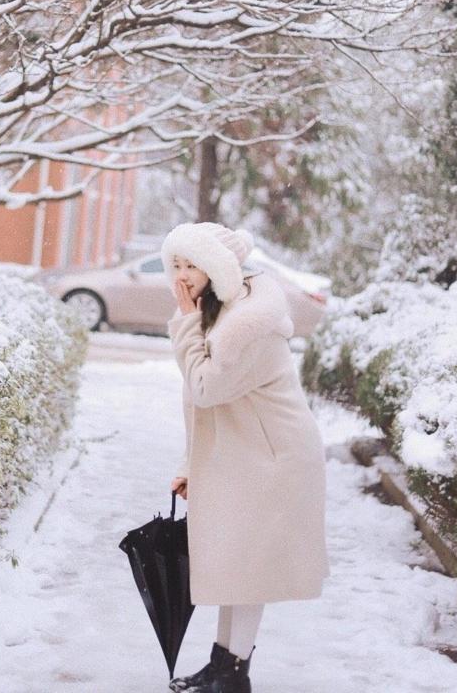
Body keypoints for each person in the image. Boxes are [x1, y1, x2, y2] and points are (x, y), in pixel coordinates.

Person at [161, 222, 330, 693]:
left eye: (191, 264)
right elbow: (199, 405)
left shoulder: (247, 325)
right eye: (175, 264)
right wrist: (189, 465)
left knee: (248, 568)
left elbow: (205, 387)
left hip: (275, 458)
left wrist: (184, 320)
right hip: (246, 455)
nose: (182, 275)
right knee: (233, 564)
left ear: (216, 268)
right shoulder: (221, 309)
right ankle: (223, 665)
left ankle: (235, 674)